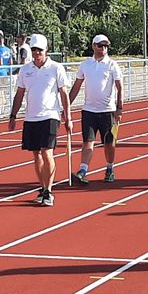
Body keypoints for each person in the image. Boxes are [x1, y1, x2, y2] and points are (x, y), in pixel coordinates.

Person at [8, 34, 72, 207]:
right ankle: (43, 188)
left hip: (50, 115)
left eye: (39, 50)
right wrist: (13, 116)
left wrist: (68, 116)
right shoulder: (25, 69)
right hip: (31, 117)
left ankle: (49, 190)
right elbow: (19, 94)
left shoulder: (56, 68)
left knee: (47, 152)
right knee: (36, 155)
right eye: (34, 50)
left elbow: (64, 93)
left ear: (46, 50)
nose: (36, 53)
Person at [69, 34, 123, 184]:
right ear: (93, 46)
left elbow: (120, 87)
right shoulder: (85, 65)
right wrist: (66, 106)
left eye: (106, 46)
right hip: (89, 110)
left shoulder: (112, 65)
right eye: (100, 45)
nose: (103, 48)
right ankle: (83, 170)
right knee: (88, 141)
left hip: (108, 111)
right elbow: (76, 86)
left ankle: (110, 168)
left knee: (109, 143)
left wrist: (119, 108)